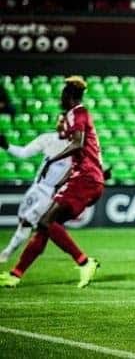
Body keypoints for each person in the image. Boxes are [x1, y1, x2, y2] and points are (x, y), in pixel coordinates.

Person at [0, 76, 104, 288]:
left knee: (46, 222)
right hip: (84, 178)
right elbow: (79, 145)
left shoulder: (79, 113)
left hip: (85, 178)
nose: (60, 98)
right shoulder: (71, 119)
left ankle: (85, 262)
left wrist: (52, 160)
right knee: (45, 226)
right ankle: (15, 274)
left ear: (69, 96)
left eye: (63, 95)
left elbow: (78, 144)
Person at [0, 119, 71, 263]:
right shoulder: (47, 139)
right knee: (23, 220)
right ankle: (38, 246)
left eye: (65, 121)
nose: (61, 123)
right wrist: (6, 146)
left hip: (51, 192)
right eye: (60, 120)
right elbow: (24, 153)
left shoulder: (74, 147)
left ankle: (6, 254)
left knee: (28, 221)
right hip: (36, 187)